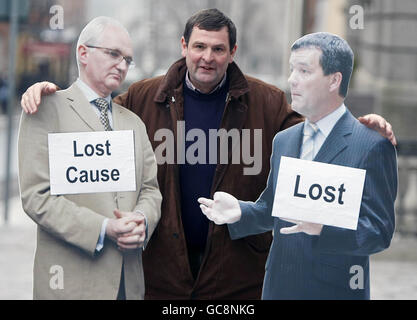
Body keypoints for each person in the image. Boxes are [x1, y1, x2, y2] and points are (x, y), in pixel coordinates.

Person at [20, 9, 396, 299]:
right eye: (199, 46)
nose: (207, 57)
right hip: (161, 270)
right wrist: (52, 95)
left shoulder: (266, 101)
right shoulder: (140, 99)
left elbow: (318, 133)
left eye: (218, 49)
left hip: (237, 271)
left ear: (232, 52)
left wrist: (363, 127)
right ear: (184, 47)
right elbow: (89, 117)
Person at [198, 32, 397, 300]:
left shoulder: (371, 145)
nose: (292, 79)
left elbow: (379, 232)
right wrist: (241, 212)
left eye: (304, 71)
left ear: (334, 80)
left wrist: (325, 229)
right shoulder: (284, 140)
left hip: (334, 291)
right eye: (292, 69)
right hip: (278, 286)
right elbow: (274, 209)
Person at [18, 16, 162, 300]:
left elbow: (150, 190)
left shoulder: (133, 122)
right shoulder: (44, 109)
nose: (122, 65)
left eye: (128, 59)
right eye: (113, 54)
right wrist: (103, 228)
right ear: (83, 53)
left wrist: (142, 220)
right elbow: (36, 197)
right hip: (70, 284)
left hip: (127, 283)